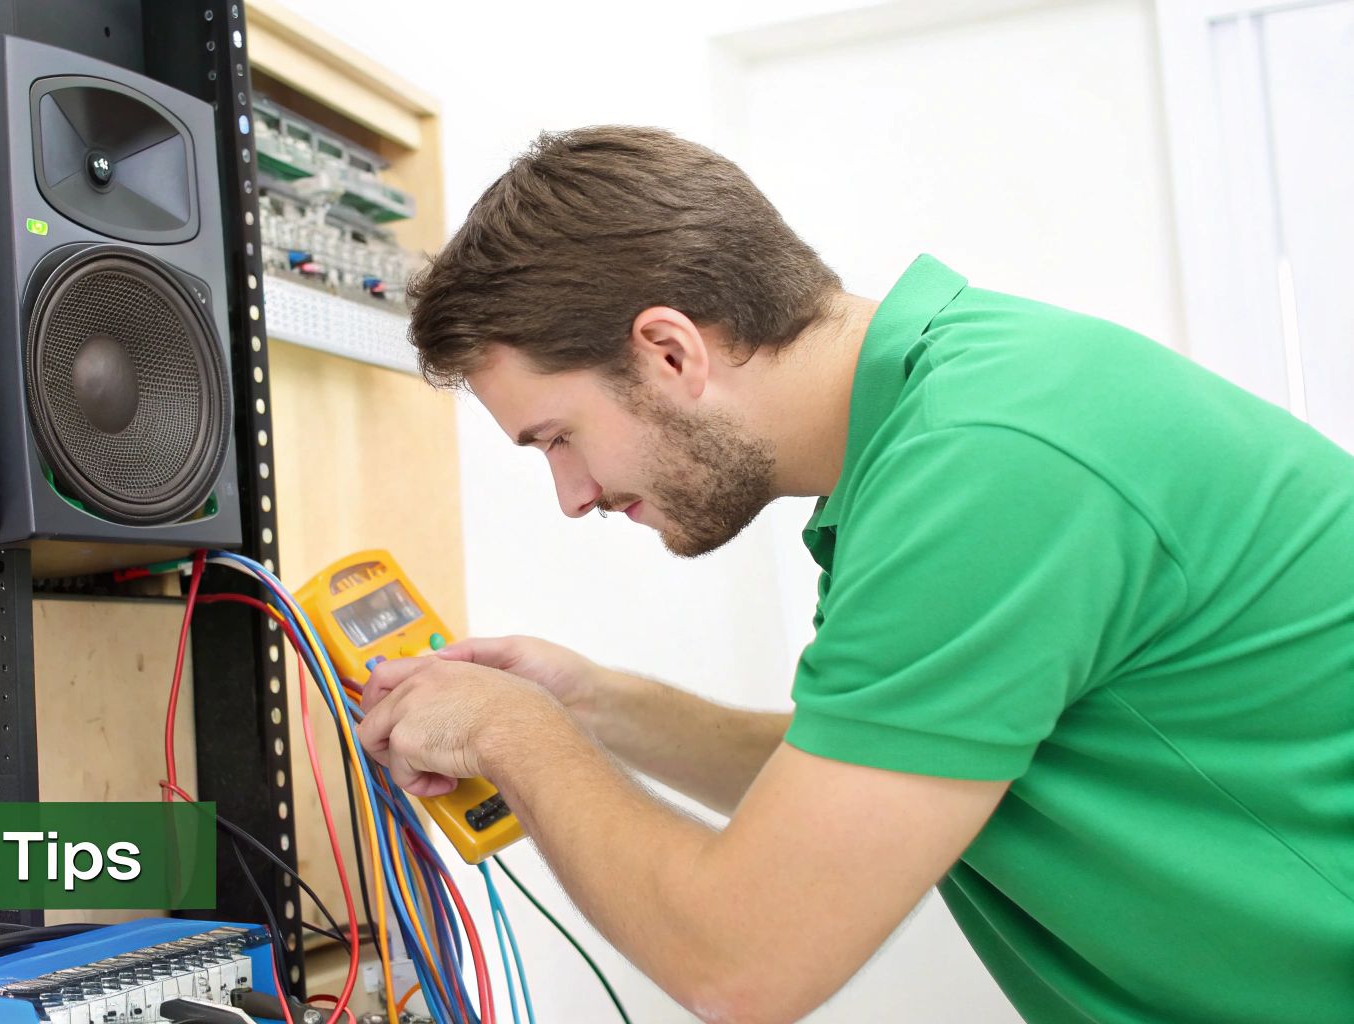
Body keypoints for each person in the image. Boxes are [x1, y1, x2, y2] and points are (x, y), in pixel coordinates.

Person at [356, 126, 1354, 1024]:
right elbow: (872, 784)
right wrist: (588, 704)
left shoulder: (985, 467)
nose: (571, 495)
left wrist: (511, 731)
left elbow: (740, 964)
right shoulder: (954, 415)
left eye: (555, 438)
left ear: (668, 352)